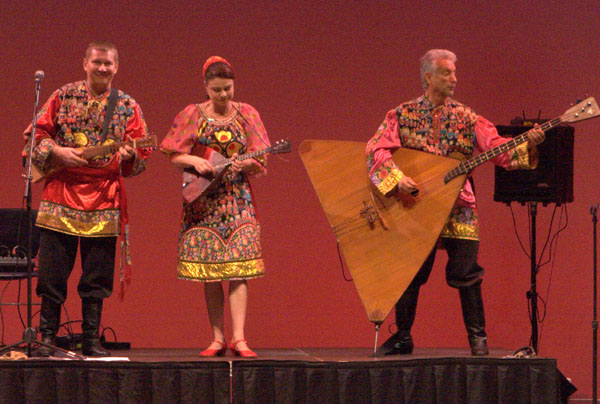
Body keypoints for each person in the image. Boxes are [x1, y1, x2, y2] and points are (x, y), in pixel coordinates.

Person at [366, 49, 545, 356]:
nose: (454, 78)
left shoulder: (466, 117)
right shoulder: (402, 114)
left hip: (458, 203)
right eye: (447, 73)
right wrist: (397, 179)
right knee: (411, 272)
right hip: (416, 205)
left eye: (454, 72)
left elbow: (498, 150)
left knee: (467, 272)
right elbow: (375, 150)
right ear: (429, 77)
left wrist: (527, 144)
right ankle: (403, 337)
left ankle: (479, 343)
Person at [23, 41, 151, 357]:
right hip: (60, 193)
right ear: (85, 63)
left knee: (97, 274)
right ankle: (47, 336)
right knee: (52, 272)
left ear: (116, 67)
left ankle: (90, 338)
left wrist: (128, 154)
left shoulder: (127, 106)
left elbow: (142, 155)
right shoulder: (62, 96)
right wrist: (58, 152)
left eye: (108, 63)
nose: (103, 68)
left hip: (104, 197)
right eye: (97, 62)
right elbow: (35, 136)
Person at [160, 56, 270, 358]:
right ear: (206, 88)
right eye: (217, 90)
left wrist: (249, 163)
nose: (223, 95)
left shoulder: (247, 114)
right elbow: (173, 152)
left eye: (228, 89)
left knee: (239, 268)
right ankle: (217, 338)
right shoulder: (192, 114)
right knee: (210, 272)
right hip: (204, 202)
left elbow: (261, 158)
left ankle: (240, 338)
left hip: (237, 200)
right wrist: (194, 160)